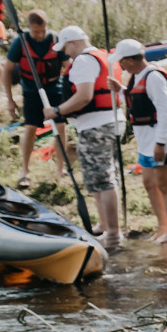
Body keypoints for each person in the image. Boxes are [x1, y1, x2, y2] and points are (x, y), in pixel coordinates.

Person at [46, 25, 125, 251]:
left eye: (66, 48)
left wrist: (57, 111)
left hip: (96, 125)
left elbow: (84, 96)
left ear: (73, 43)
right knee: (99, 177)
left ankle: (113, 234)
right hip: (109, 122)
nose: (65, 54)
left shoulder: (82, 61)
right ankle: (104, 225)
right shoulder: (102, 56)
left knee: (103, 179)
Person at [114, 39, 167, 244]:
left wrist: (160, 142)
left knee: (164, 184)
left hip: (160, 139)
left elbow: (165, 110)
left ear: (129, 60)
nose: (120, 66)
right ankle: (162, 227)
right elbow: (138, 101)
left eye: (121, 62)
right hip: (145, 141)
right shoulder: (136, 77)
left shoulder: (154, 77)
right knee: (149, 183)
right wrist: (119, 90)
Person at [3, 9, 67, 191]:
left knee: (60, 127)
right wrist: (10, 100)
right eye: (35, 31)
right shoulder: (20, 41)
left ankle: (61, 169)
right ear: (28, 27)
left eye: (42, 31)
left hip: (54, 88)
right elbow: (7, 70)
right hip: (31, 90)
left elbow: (68, 66)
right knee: (30, 128)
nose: (39, 35)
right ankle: (25, 171)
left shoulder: (55, 39)